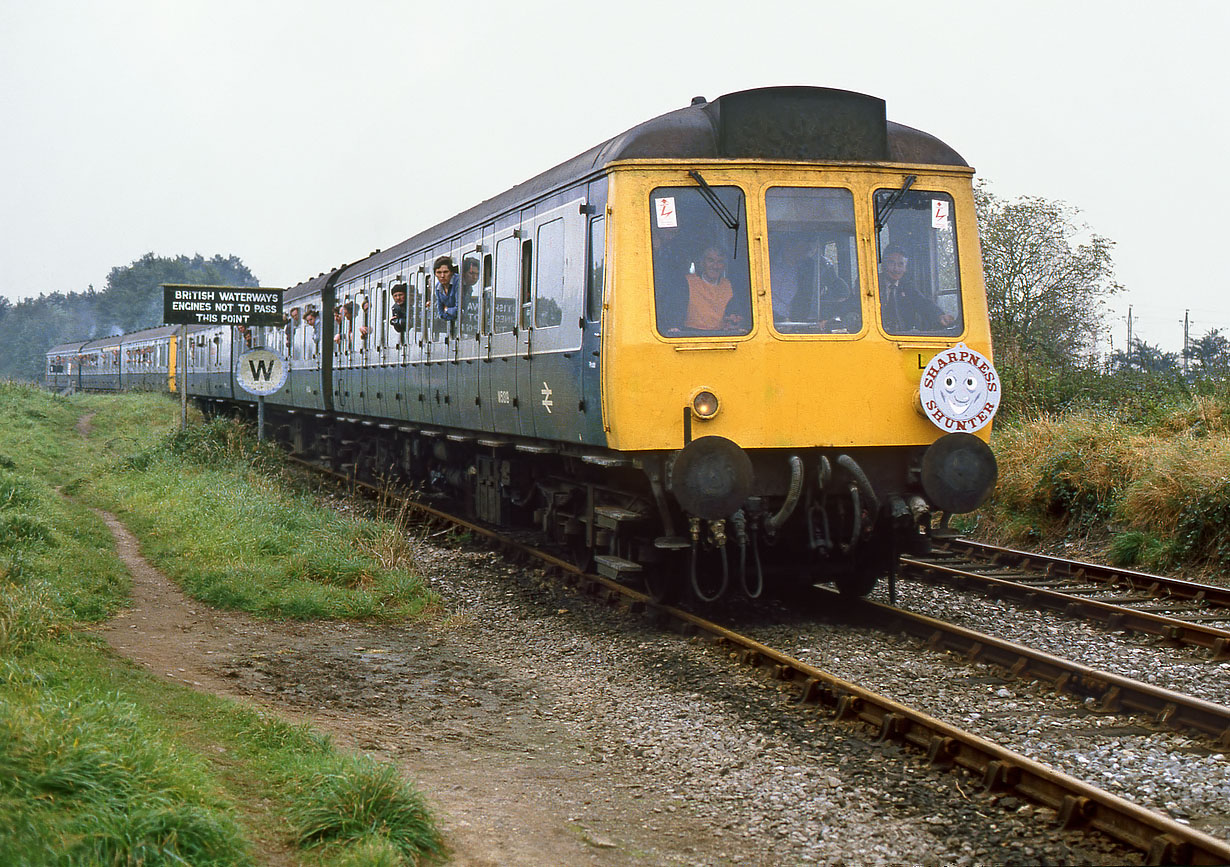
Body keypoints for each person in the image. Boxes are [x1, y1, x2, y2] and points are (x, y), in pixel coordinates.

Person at [878, 246, 955, 333]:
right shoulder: (873, 283)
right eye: (891, 263)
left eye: (900, 264)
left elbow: (924, 303)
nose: (896, 269)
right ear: (883, 265)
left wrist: (940, 316)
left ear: (905, 268)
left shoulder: (907, 286)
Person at [682, 246, 749, 333]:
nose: (715, 266)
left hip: (721, 335)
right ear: (702, 263)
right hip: (691, 334)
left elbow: (735, 312)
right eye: (710, 260)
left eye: (720, 262)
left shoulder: (729, 285)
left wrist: (735, 321)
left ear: (724, 265)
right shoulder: (687, 283)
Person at [433, 256, 459, 323]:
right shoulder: (438, 287)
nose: (442, 276)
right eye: (439, 272)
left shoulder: (458, 282)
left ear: (451, 272)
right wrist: (451, 313)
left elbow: (459, 311)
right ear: (435, 274)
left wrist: (447, 309)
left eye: (445, 272)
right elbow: (441, 314)